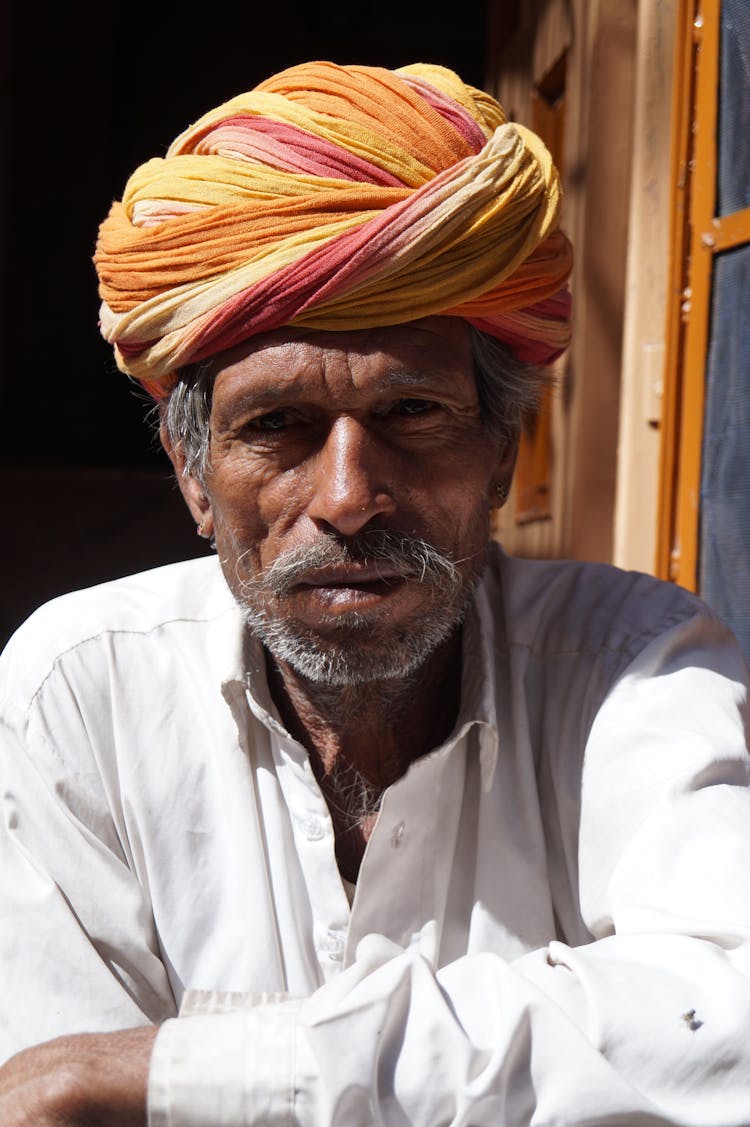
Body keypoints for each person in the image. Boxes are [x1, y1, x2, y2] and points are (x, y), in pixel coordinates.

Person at [1, 59, 749, 1127]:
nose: (350, 497)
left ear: (499, 457)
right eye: (279, 428)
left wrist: (181, 1072)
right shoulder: (78, 690)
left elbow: (725, 1021)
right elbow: (43, 1093)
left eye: (411, 412)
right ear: (196, 479)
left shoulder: (635, 663)